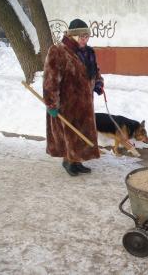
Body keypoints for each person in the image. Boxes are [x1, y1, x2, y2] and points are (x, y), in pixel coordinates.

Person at [43, 18, 104, 176]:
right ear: (72, 36)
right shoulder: (58, 51)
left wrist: (98, 83)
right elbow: (51, 80)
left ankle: (77, 162)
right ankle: (68, 162)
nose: (85, 39)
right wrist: (51, 104)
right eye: (82, 36)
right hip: (66, 105)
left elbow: (95, 71)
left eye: (87, 36)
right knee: (69, 134)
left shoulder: (89, 52)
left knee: (81, 134)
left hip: (85, 103)